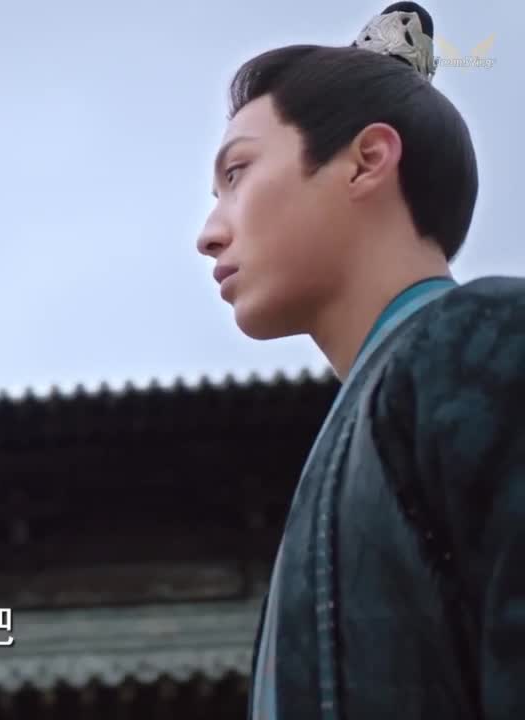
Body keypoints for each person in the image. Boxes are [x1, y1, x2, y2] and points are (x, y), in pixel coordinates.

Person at [197, 3, 524, 718]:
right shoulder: (377, 415)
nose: (209, 234)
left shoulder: (490, 343)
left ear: (367, 160)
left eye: (238, 173)